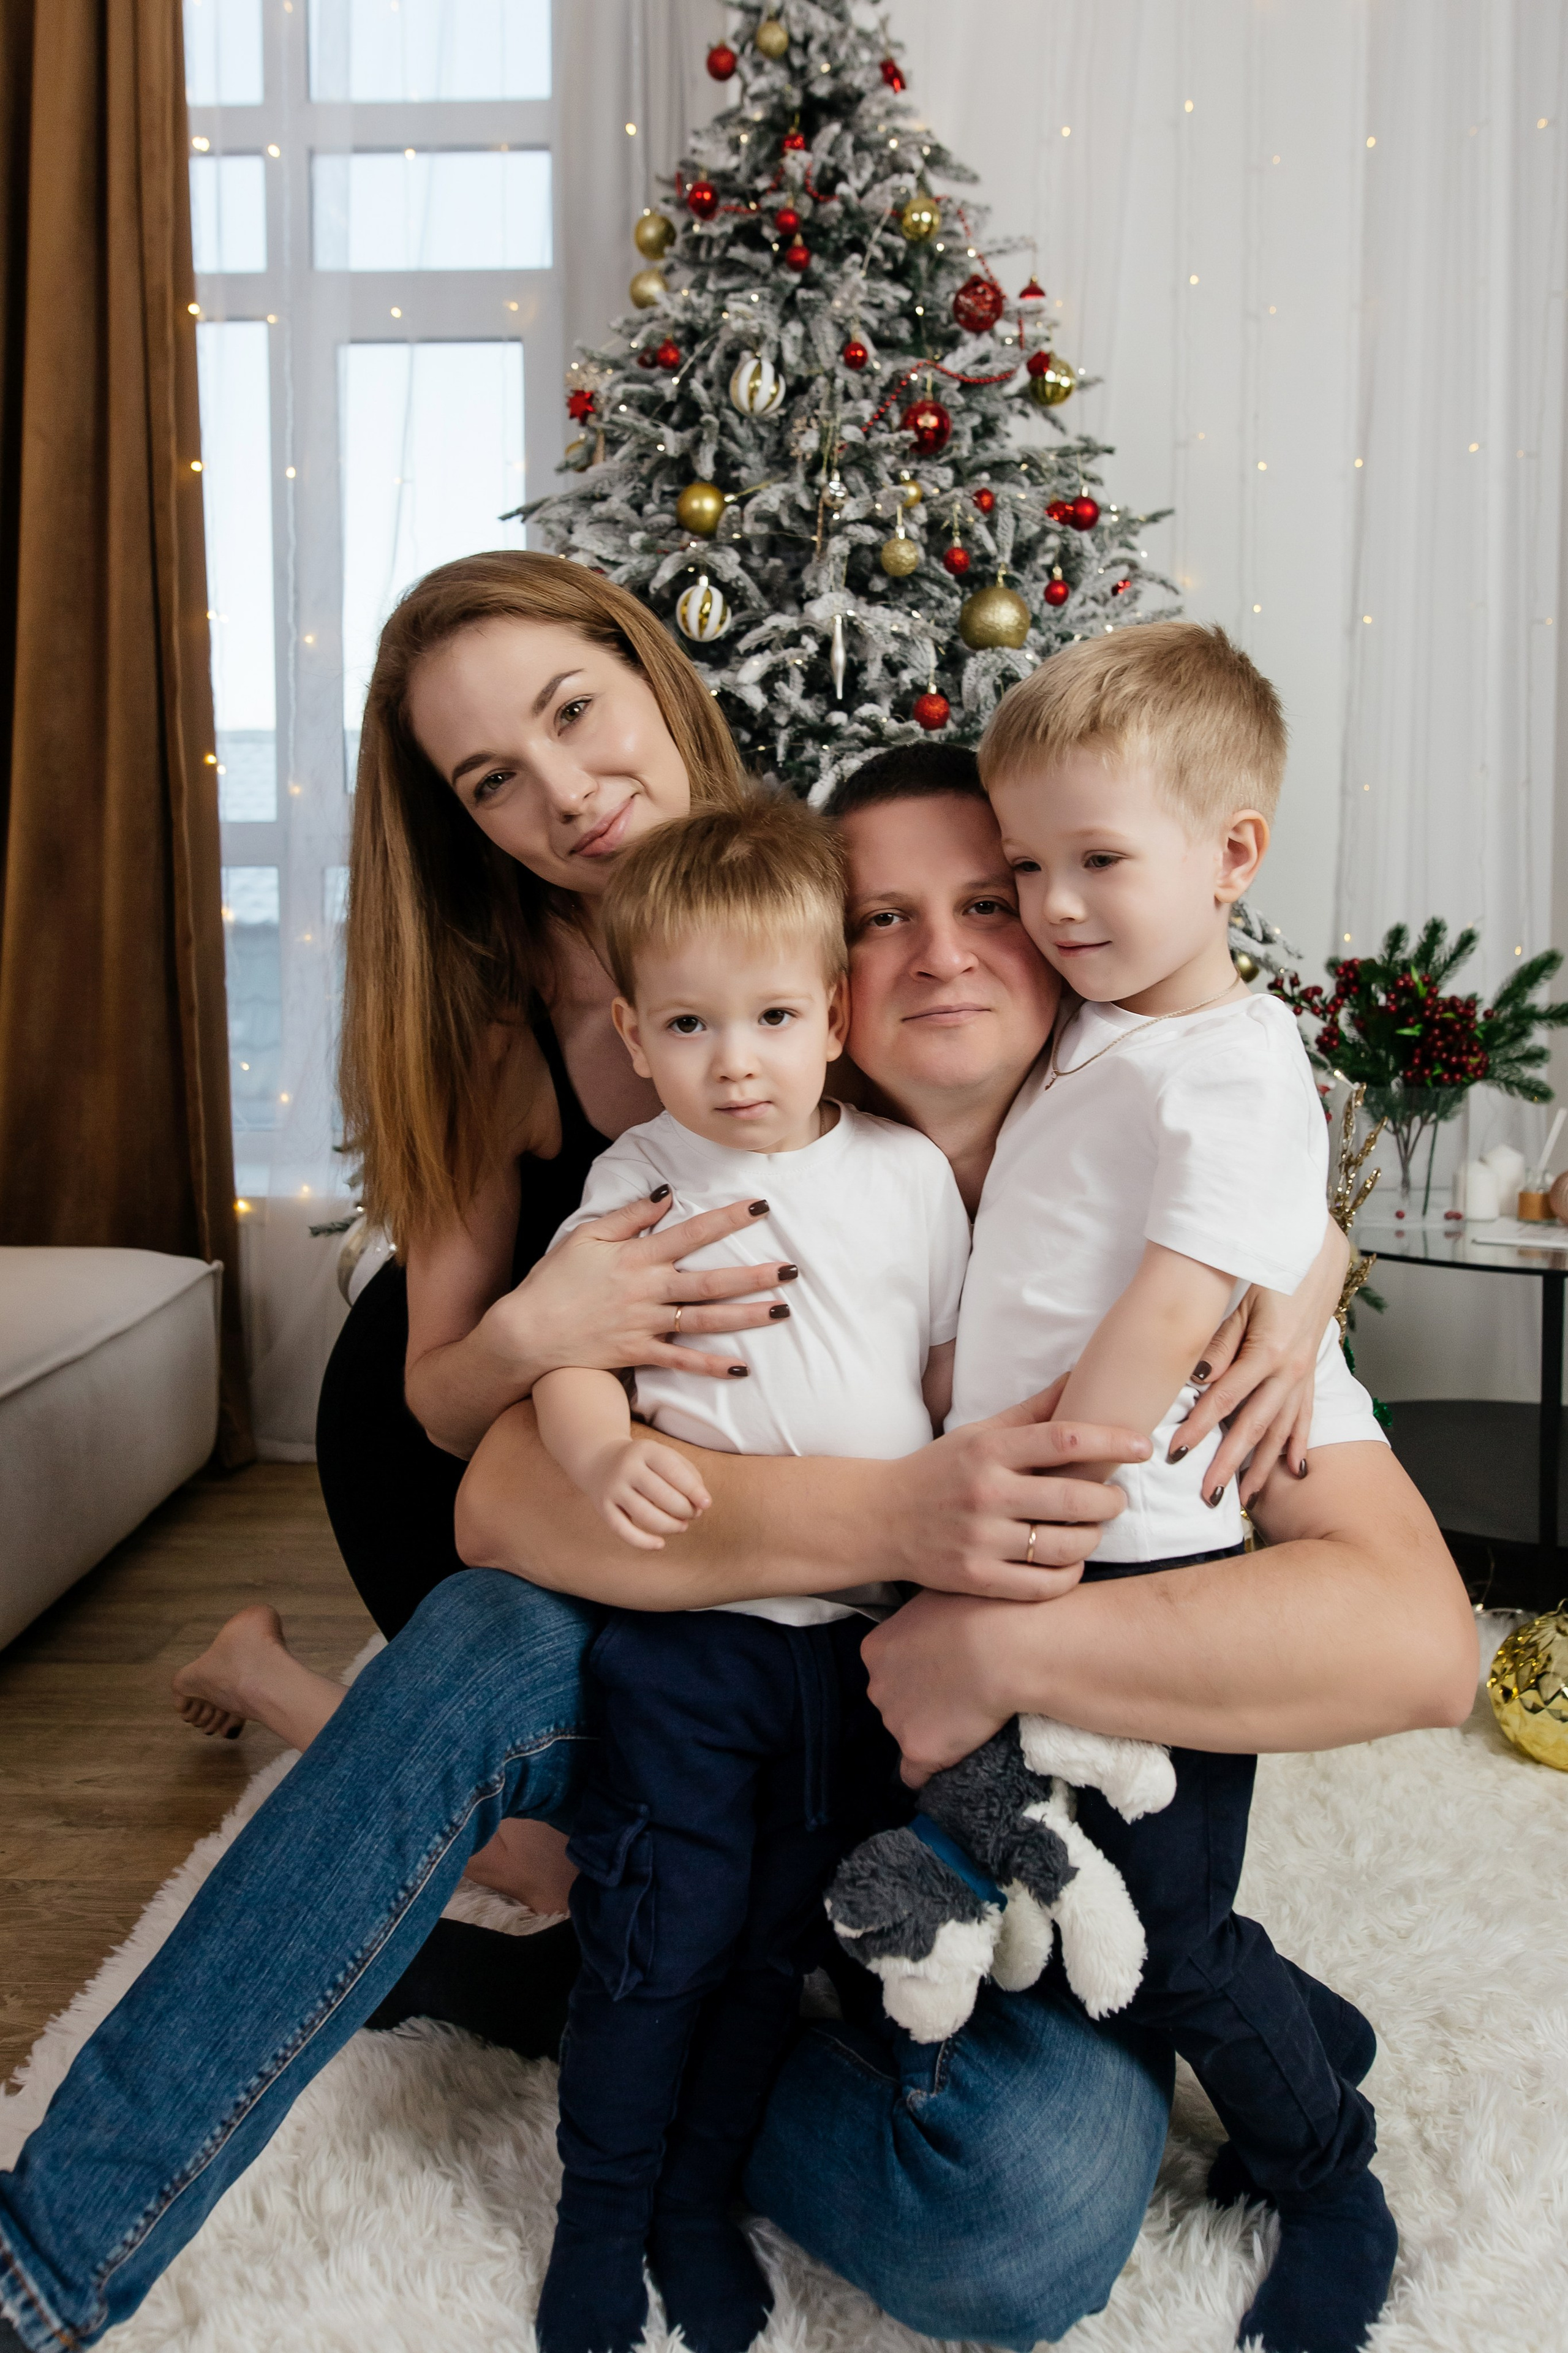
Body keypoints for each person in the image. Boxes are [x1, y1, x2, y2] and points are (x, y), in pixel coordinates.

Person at [0, 564, 1472, 2353]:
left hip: (954, 1784)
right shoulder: (719, 1173)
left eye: (996, 901)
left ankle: (602, 1973)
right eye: (876, 919)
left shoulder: (1171, 1216)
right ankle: (49, 2255)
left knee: (1017, 2217)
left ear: (1080, 938)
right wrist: (880, 1509)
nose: (941, 949)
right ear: (810, 970)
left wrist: (1288, 1272)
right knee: (492, 1657)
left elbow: (1411, 1645)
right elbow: (494, 1496)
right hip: (716, 1667)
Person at [935, 624, 1394, 2353]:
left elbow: (1174, 1301)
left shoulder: (1234, 1058)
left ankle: (1330, 2168)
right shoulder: (1104, 1032)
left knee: (1172, 1924)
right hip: (1049, 1539)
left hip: (1128, 1555)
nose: (1053, 906)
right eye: (1028, 865)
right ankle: (1308, 2018)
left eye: (1099, 861)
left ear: (1234, 856)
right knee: (1036, 1858)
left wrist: (1031, 1539)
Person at [532, 798, 968, 2353]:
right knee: (658, 1939)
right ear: (636, 1038)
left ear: (832, 1015)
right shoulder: (635, 1175)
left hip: (851, 1655)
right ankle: (600, 2213)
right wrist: (594, 1453)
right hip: (692, 1640)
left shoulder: (908, 1176)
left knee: (773, 1943)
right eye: (691, 1024)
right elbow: (567, 1368)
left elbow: (941, 1374)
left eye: (775, 1016)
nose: (738, 1060)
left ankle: (696, 2200)